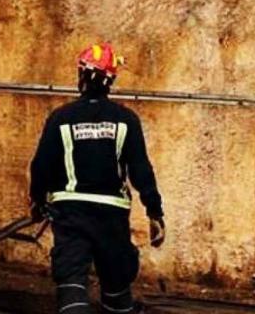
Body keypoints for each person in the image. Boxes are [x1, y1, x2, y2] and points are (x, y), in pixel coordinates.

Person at [29, 43, 165, 314]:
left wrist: (37, 200)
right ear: (111, 80)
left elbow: (41, 165)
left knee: (71, 277)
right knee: (116, 279)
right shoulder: (126, 120)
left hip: (71, 211)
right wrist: (154, 212)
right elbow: (141, 169)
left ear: (81, 74)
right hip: (111, 215)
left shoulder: (60, 118)